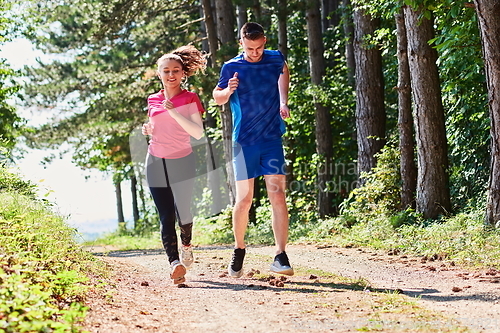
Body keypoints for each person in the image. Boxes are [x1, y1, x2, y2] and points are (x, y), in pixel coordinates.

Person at [212, 22, 293, 277]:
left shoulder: (274, 58)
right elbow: (217, 97)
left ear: (265, 42)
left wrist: (283, 101)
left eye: (258, 47)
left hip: (271, 140)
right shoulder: (232, 67)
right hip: (244, 141)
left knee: (277, 196)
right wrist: (228, 90)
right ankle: (238, 249)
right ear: (241, 43)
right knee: (244, 200)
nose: (255, 53)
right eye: (250, 48)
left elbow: (283, 72)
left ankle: (280, 255)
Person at [142, 45, 206, 284]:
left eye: (176, 70)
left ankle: (187, 244)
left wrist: (175, 113)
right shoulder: (153, 99)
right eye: (166, 70)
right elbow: (156, 126)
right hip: (156, 160)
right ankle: (175, 263)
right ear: (159, 74)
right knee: (166, 214)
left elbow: (197, 133)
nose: (171, 75)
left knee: (184, 211)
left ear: (183, 73)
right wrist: (148, 129)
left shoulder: (189, 98)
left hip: (182, 160)